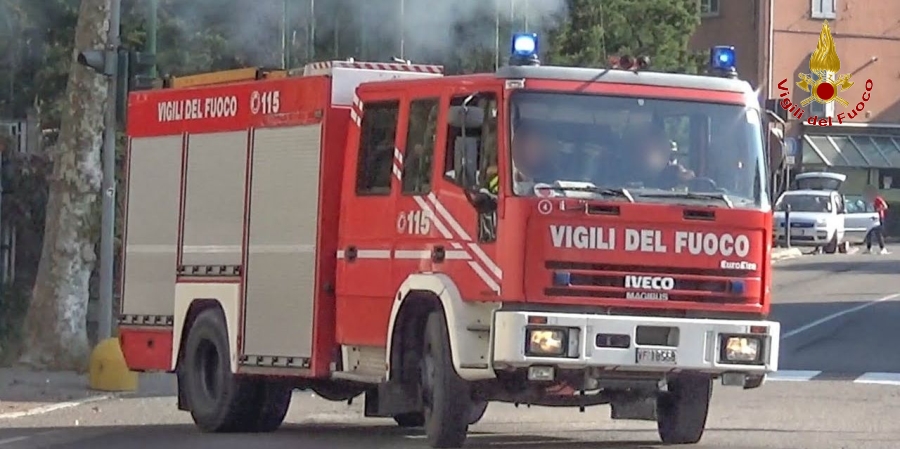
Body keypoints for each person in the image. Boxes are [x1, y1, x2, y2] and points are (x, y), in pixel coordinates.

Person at [626, 125, 695, 189]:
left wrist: (683, 176)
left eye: (661, 145)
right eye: (651, 147)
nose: (657, 153)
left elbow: (688, 176)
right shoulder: (621, 174)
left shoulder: (671, 173)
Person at [864, 185, 889, 254]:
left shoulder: (878, 199)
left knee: (878, 233)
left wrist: (878, 209)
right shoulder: (868, 200)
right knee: (868, 233)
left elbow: (885, 206)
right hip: (871, 217)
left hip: (879, 217)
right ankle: (869, 248)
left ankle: (883, 248)